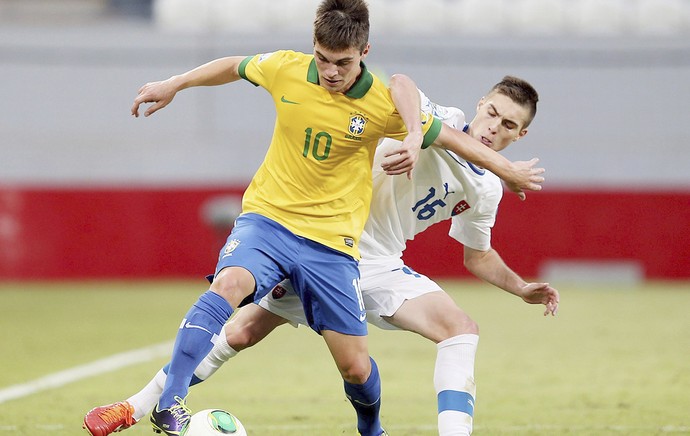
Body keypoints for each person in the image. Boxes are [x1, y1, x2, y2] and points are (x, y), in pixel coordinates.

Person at [88, 0, 544, 434]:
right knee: (240, 328)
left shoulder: (483, 189)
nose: (492, 128)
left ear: (520, 135)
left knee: (435, 339)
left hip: (367, 257)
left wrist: (522, 286)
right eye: (491, 113)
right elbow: (406, 87)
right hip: (304, 231)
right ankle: (140, 406)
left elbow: (478, 256)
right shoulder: (435, 116)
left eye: (507, 125)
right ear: (481, 104)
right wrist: (413, 135)